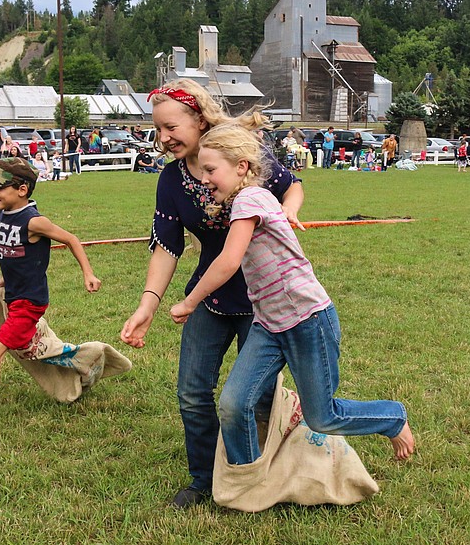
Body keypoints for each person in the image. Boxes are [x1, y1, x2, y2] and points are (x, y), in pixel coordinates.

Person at [168, 123, 414, 472]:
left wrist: (190, 301)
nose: (204, 178)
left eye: (210, 170)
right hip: (269, 325)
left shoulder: (250, 199)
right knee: (234, 404)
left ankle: (391, 417)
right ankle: (246, 479)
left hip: (307, 320)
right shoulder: (244, 200)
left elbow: (228, 261)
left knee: (323, 417)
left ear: (241, 167)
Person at [119, 80, 304, 508]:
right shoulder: (170, 179)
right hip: (211, 297)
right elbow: (167, 244)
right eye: (158, 130)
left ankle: (257, 475)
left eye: (170, 127)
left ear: (199, 119)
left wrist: (289, 208)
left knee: (256, 396)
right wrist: (148, 304)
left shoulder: (241, 156)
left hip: (263, 299)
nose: (163, 138)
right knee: (191, 391)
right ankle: (204, 478)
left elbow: (290, 184)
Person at [0, 158, 101, 442]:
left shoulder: (34, 221)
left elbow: (72, 239)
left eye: (1, 188)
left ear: (22, 189)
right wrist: (2, 281)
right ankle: (85, 364)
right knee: (34, 351)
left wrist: (88, 274)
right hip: (13, 296)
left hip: (28, 304)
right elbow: (13, 255)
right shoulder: (3, 215)